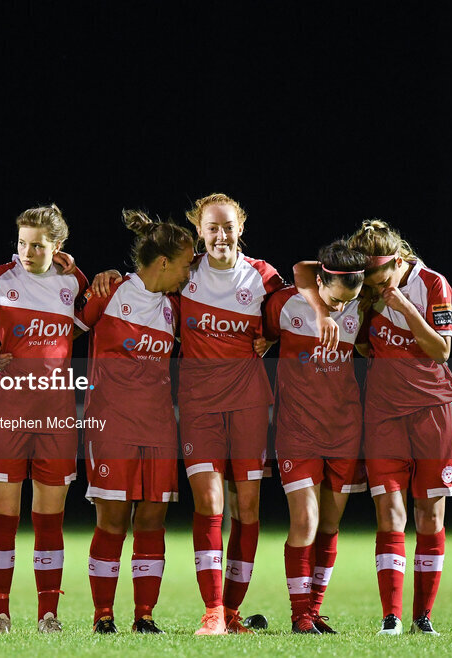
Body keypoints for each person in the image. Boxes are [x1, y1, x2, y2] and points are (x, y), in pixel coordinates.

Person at [0, 204, 88, 634]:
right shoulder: (0, 279)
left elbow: (98, 312)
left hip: (56, 416)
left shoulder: (73, 281)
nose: (27, 252)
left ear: (57, 247)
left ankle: (48, 615)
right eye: (22, 243)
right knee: (3, 518)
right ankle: (0, 614)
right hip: (7, 412)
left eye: (38, 245)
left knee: (49, 519)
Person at [73, 210, 193, 634]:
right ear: (163, 261)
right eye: (186, 262)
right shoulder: (109, 292)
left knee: (152, 520)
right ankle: (103, 616)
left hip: (159, 426)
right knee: (112, 521)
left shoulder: (175, 309)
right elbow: (58, 329)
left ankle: (145, 616)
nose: (189, 271)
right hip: (112, 424)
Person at [178, 193, 284, 635]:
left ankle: (234, 610)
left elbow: (294, 308)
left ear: (241, 226)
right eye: (212, 227)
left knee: (248, 506)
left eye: (228, 226)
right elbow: (137, 280)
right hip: (200, 407)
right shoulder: (182, 273)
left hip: (248, 405)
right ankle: (213, 611)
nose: (220, 235)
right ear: (199, 231)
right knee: (210, 502)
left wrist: (273, 337)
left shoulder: (263, 276)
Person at [347, 220, 452, 636]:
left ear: (398, 261)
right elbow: (360, 344)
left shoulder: (432, 284)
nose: (374, 289)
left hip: (432, 412)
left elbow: (442, 351)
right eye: (368, 283)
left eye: (379, 280)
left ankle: (422, 617)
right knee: (390, 515)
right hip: (383, 415)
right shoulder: (367, 294)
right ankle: (390, 618)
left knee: (429, 514)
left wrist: (404, 307)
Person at [264, 241, 370, 634]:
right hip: (297, 432)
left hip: (344, 430)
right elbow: (262, 330)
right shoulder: (286, 305)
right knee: (305, 522)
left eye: (349, 302)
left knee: (328, 526)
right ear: (320, 281)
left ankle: (314, 609)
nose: (342, 308)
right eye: (335, 301)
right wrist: (266, 341)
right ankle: (299, 616)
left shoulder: (360, 308)